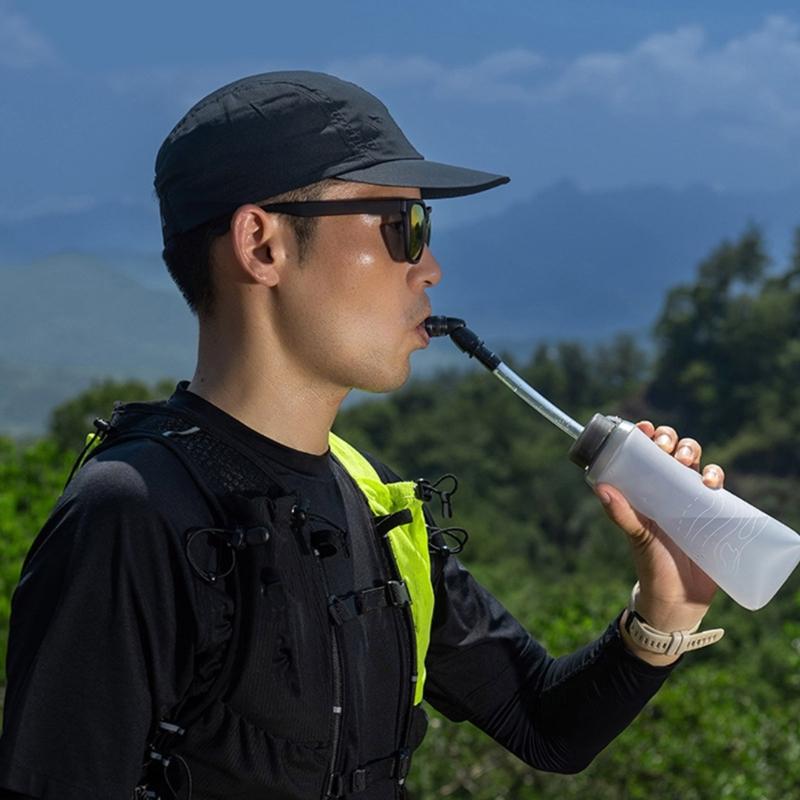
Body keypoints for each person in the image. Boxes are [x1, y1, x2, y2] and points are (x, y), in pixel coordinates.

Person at [0, 71, 726, 800]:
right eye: (402, 227)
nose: (431, 269)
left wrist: (663, 610)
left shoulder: (373, 504)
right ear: (262, 245)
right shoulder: (130, 515)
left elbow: (543, 725)